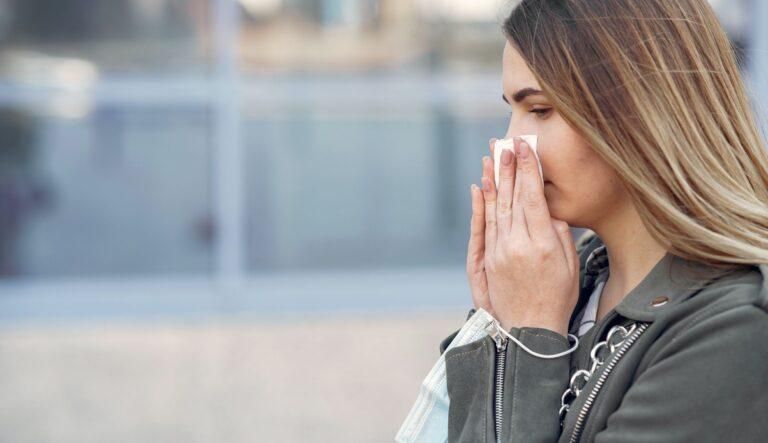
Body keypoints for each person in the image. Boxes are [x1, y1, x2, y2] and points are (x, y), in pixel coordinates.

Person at [442, 0, 768, 441]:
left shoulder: (736, 329)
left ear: (639, 113)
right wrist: (498, 323)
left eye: (539, 110)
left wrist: (527, 337)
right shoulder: (570, 282)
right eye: (511, 111)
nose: (510, 144)